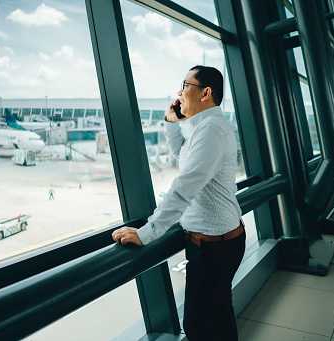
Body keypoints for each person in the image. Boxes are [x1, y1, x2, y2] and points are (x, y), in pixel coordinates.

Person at [112, 65, 244, 341]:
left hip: (214, 247)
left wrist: (146, 233)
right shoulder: (206, 128)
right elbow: (182, 156)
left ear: (206, 92)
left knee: (198, 325)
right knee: (219, 313)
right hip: (215, 243)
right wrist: (171, 123)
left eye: (185, 85)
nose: (179, 93)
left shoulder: (210, 131)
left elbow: (185, 187)